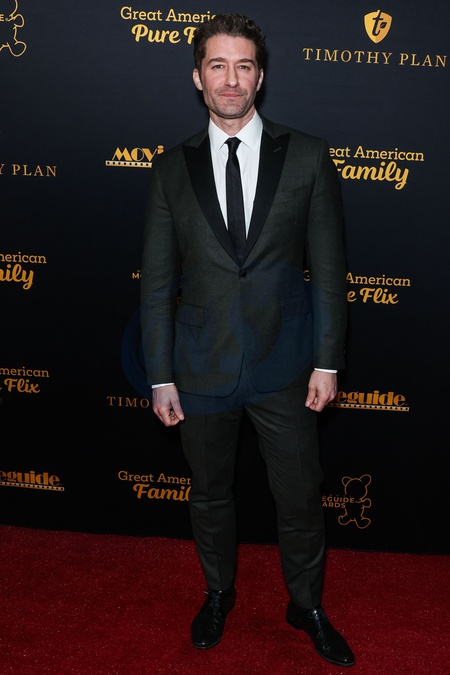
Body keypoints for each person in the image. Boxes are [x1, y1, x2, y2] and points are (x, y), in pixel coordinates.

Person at [140, 13, 354, 668]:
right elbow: (157, 281)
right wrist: (160, 373)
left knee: (300, 494)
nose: (230, 79)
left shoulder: (309, 155)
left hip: (286, 363)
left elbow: (329, 271)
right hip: (199, 366)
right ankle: (217, 593)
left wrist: (327, 360)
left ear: (260, 77)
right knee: (209, 494)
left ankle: (306, 604)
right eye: (217, 66)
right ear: (197, 77)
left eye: (243, 66)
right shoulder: (171, 167)